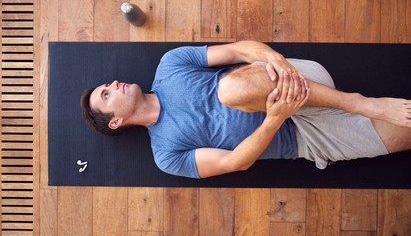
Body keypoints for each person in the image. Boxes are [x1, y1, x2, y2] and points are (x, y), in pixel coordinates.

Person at [80, 41, 411, 178]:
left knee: (229, 88)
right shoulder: (166, 155)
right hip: (307, 139)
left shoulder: (171, 65)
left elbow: (240, 49)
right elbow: (234, 162)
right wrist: (275, 118)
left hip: (295, 81)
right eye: (106, 95)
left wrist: (278, 62)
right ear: (116, 122)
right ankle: (370, 113)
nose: (115, 83)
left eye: (108, 85)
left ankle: (364, 104)